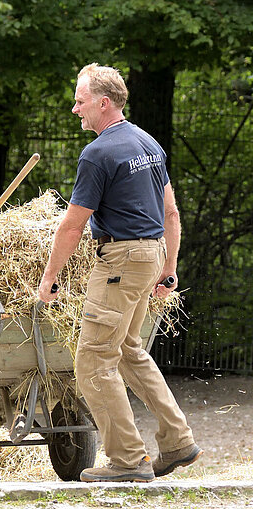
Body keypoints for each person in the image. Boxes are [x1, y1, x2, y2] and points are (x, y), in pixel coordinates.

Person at [38, 63, 203, 482]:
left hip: (119, 262)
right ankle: (177, 441)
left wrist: (49, 277)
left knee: (92, 362)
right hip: (149, 256)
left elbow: (72, 225)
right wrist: (167, 269)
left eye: (80, 101)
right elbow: (169, 212)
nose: (75, 109)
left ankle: (128, 461)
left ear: (103, 102)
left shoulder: (98, 153)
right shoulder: (148, 144)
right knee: (129, 351)